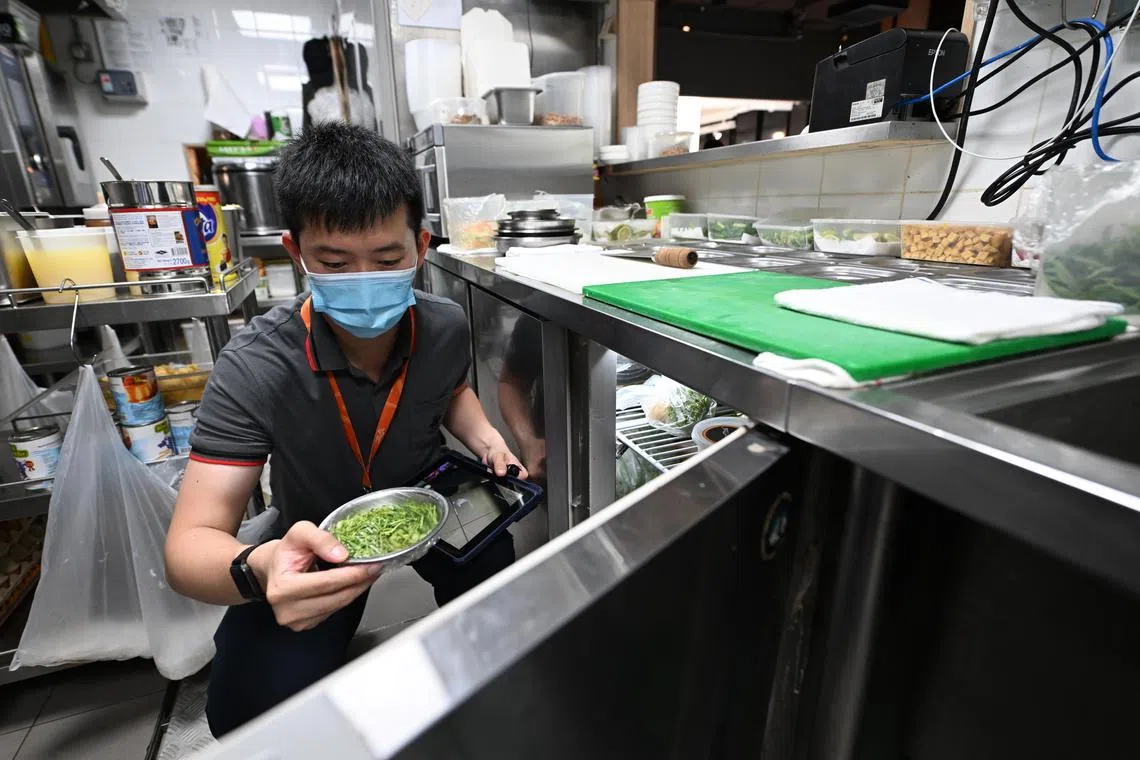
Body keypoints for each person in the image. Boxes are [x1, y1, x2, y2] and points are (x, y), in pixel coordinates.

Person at [164, 122, 526, 737]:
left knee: (500, 608)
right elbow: (189, 546)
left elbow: (451, 390)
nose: (365, 280)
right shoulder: (255, 365)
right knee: (245, 714)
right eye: (335, 263)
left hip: (432, 495)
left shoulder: (443, 325)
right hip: (316, 537)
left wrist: (486, 437)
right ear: (295, 251)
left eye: (388, 260)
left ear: (421, 244)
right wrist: (265, 567)